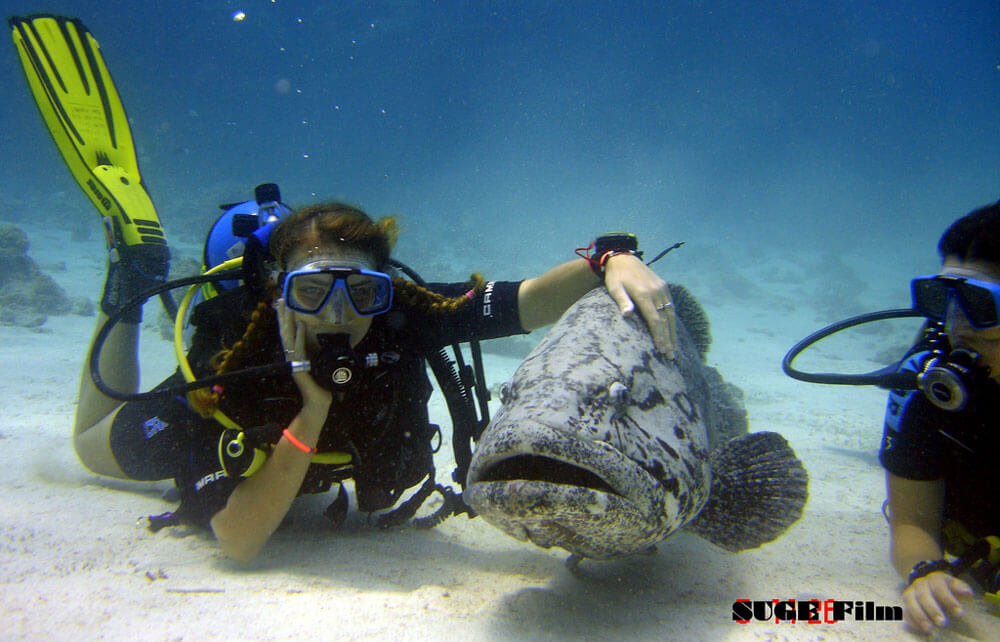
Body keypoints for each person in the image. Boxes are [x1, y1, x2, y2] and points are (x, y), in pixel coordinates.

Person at [73, 200, 678, 563]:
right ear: (278, 297)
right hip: (217, 422)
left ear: (386, 289)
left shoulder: (406, 317)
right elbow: (236, 542)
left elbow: (527, 303)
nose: (337, 313)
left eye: (361, 292)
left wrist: (612, 256)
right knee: (89, 446)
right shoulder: (238, 359)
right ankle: (126, 289)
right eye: (311, 292)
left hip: (309, 469)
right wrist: (309, 411)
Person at [880, 201, 1000, 634]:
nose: (955, 321)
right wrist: (925, 572)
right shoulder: (925, 382)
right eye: (943, 297)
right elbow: (910, 522)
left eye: (979, 302)